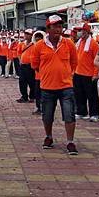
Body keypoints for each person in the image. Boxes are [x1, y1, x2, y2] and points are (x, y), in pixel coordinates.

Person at [30, 15, 79, 155]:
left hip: (66, 86)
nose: (58, 29)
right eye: (55, 26)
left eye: (60, 26)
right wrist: (48, 73)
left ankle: (70, 141)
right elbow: (35, 65)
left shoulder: (69, 44)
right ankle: (49, 137)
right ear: (48, 28)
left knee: (69, 115)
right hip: (47, 87)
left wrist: (66, 74)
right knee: (47, 115)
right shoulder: (39, 46)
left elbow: (74, 62)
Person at [73, 23, 99, 122]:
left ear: (87, 31)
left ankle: (94, 114)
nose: (80, 32)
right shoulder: (79, 42)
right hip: (78, 73)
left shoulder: (93, 43)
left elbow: (97, 60)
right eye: (79, 30)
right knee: (79, 94)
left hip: (89, 74)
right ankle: (81, 112)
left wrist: (95, 74)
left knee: (92, 95)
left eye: (82, 30)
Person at [16, 29, 35, 103]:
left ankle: (32, 96)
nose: (26, 35)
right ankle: (24, 96)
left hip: (31, 66)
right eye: (25, 34)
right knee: (22, 81)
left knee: (32, 82)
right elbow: (19, 52)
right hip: (23, 65)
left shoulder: (34, 44)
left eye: (28, 34)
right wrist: (20, 60)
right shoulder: (22, 43)